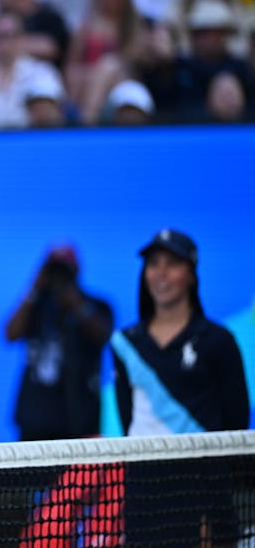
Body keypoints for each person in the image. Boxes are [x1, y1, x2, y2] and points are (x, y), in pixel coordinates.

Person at [111, 229, 250, 546]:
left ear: (191, 273)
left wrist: (211, 502)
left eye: (172, 264)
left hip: (203, 487)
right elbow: (127, 415)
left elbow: (235, 421)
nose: (160, 274)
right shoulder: (124, 344)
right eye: (153, 264)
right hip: (143, 488)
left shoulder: (218, 340)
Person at [5, 245, 114, 441]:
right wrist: (32, 291)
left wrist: (77, 306)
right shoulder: (36, 306)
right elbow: (10, 334)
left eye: (63, 271)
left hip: (80, 423)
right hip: (34, 424)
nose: (58, 278)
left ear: (76, 273)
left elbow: (104, 336)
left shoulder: (96, 305)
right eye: (52, 271)